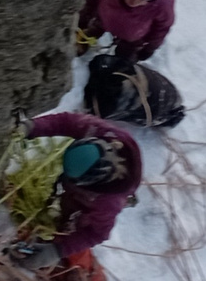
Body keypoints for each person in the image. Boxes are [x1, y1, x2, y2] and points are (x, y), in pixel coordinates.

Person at [22, 109, 143, 258]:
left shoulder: (106, 203)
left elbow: (96, 234)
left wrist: (57, 251)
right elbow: (67, 121)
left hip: (100, 198)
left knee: (73, 219)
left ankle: (128, 200)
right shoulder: (103, 133)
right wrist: (32, 127)